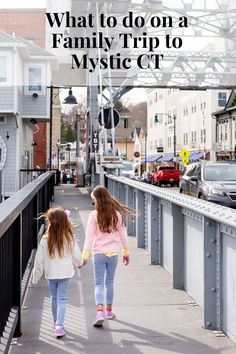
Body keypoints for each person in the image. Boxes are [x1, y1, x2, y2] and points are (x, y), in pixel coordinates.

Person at [81, 185, 135, 327]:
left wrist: (85, 255)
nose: (93, 203)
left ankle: (99, 312)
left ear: (97, 200)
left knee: (98, 283)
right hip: (113, 254)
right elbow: (123, 235)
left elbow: (89, 237)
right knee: (109, 282)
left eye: (93, 200)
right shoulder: (116, 214)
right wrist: (126, 252)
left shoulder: (93, 215)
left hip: (98, 254)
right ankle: (109, 311)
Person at [32, 207, 83, 338]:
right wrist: (80, 263)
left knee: (54, 298)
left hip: (51, 274)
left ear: (50, 222)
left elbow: (39, 261)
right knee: (62, 299)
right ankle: (59, 325)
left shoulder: (45, 239)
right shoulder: (69, 238)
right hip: (65, 274)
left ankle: (55, 322)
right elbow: (76, 254)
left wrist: (36, 277)